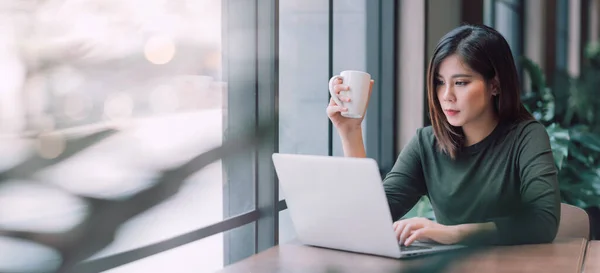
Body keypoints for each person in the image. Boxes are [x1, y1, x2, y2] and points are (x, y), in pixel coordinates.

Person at [326, 24, 560, 247]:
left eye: (460, 82)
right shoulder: (427, 143)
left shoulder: (526, 137)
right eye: (439, 83)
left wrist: (454, 233)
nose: (446, 95)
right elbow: (369, 218)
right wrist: (351, 132)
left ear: (495, 85)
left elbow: (543, 223)